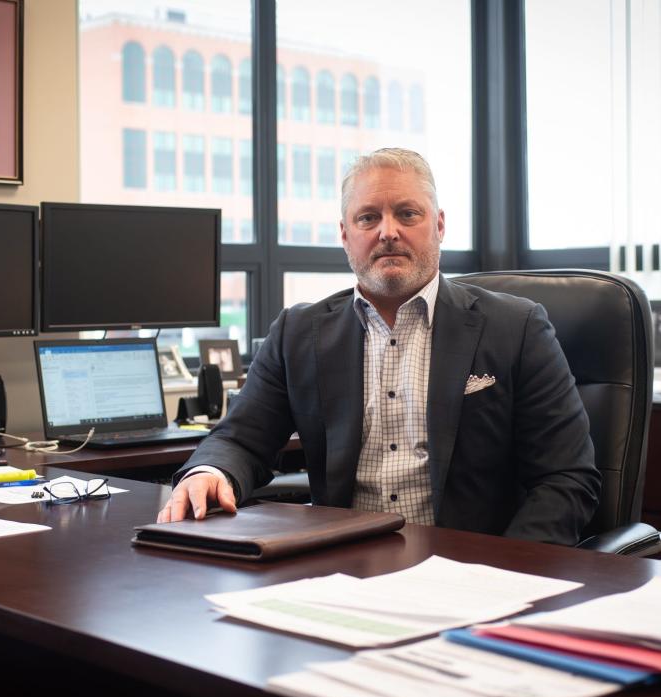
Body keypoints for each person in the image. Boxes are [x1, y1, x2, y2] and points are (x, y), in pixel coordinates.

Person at [158, 147, 600, 546]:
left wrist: (508, 572)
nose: (388, 232)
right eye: (368, 218)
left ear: (439, 225)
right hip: (341, 567)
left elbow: (566, 479)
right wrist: (208, 471)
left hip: (471, 570)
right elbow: (241, 439)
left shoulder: (516, 327)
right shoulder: (299, 332)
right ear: (345, 234)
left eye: (408, 214)